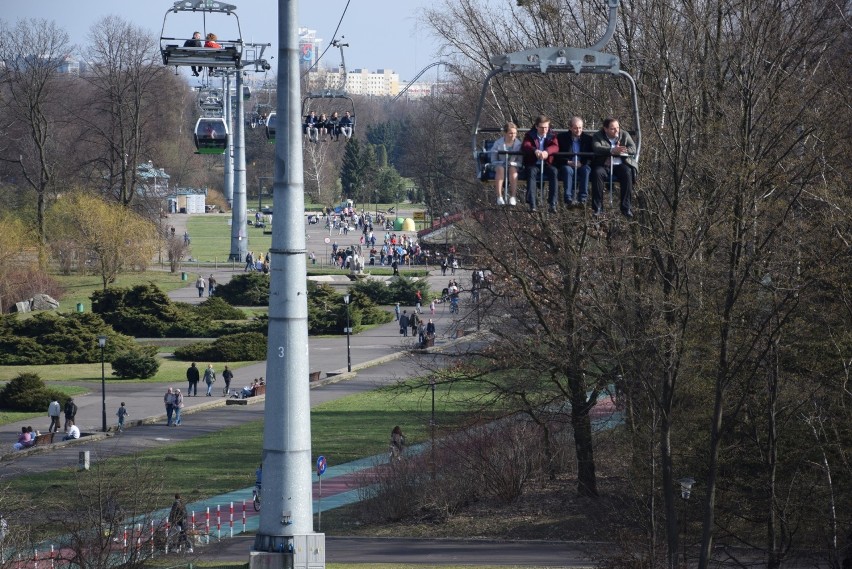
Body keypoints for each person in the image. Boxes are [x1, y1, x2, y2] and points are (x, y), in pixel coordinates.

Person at [590, 117, 638, 218]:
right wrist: (612, 150)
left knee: (627, 172)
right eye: (612, 128)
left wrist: (622, 150)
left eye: (618, 127)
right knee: (597, 173)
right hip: (604, 164)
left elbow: (633, 148)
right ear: (605, 129)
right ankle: (598, 207)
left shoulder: (624, 134)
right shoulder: (598, 136)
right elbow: (597, 148)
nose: (616, 130)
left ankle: (626, 207)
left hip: (619, 164)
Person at [521, 114, 559, 213]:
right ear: (536, 126)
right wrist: (535, 150)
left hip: (547, 163)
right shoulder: (530, 135)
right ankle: (532, 203)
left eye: (546, 127)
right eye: (541, 127)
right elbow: (525, 145)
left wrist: (547, 151)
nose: (544, 130)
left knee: (554, 172)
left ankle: (552, 203)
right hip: (533, 163)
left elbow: (555, 147)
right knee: (531, 173)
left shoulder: (552, 135)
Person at [555, 116, 593, 207]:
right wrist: (567, 162)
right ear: (570, 128)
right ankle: (568, 198)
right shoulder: (561, 138)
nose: (578, 130)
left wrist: (582, 163)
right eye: (575, 128)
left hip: (581, 164)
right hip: (568, 164)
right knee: (567, 170)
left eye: (580, 128)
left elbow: (591, 156)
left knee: (586, 170)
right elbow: (557, 154)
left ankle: (583, 199)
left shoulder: (588, 139)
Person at [490, 121, 522, 205]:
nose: (513, 135)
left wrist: (512, 164)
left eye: (515, 133)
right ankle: (499, 196)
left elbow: (520, 161)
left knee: (513, 170)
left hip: (513, 166)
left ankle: (513, 197)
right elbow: (493, 159)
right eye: (510, 133)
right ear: (505, 133)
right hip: (499, 164)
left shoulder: (519, 145)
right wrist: (503, 163)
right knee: (500, 169)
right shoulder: (498, 144)